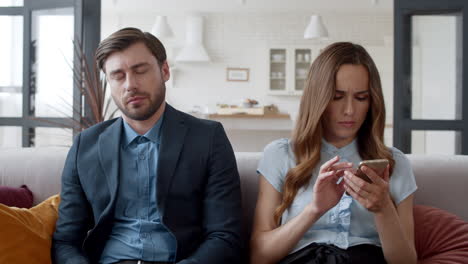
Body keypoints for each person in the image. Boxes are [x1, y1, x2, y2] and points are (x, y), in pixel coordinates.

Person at [53, 27, 242, 264]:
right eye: (118, 76)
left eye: (140, 71)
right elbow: (65, 241)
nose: (130, 84)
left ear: (164, 71)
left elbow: (225, 236)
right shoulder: (85, 145)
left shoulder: (208, 138)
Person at [250, 42, 417, 264]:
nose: (349, 110)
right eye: (337, 96)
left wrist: (383, 208)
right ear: (317, 98)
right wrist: (315, 209)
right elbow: (259, 257)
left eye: (361, 97)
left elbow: (407, 262)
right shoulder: (280, 155)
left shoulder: (394, 163)